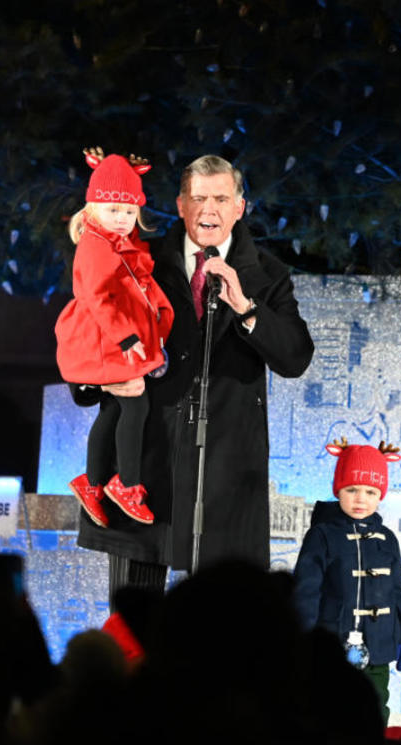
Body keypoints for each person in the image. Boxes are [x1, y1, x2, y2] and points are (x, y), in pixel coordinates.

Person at [71, 154, 314, 589]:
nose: (209, 210)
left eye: (221, 198)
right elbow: (88, 324)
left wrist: (246, 308)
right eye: (198, 198)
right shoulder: (135, 259)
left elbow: (295, 357)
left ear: (240, 207)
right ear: (180, 204)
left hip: (224, 475)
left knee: (215, 639)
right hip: (141, 472)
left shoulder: (268, 275)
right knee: (133, 628)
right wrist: (97, 378)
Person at [57, 148, 174, 526]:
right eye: (113, 210)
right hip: (104, 338)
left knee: (116, 408)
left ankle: (92, 481)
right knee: (135, 404)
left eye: (128, 211)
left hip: (113, 336)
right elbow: (96, 296)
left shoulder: (117, 241)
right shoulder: (96, 245)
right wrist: (126, 338)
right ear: (91, 209)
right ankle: (126, 482)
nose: (122, 219)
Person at [292, 439, 401, 722]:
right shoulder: (322, 535)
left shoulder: (387, 538)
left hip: (380, 643)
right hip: (331, 645)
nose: (361, 499)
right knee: (327, 708)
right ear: (338, 490)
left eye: (371, 491)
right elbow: (306, 591)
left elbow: (397, 592)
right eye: (352, 490)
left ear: (380, 495)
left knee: (375, 705)